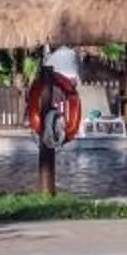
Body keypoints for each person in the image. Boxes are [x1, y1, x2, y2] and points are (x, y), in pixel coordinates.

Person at [24, 48, 82, 197]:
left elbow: (72, 97)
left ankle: (47, 193)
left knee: (50, 121)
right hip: (44, 123)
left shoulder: (65, 91)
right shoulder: (49, 90)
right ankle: (46, 192)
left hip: (52, 123)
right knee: (48, 122)